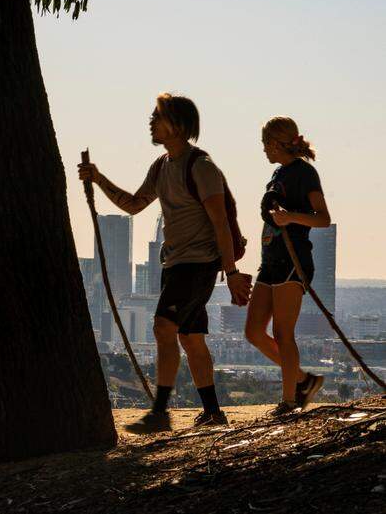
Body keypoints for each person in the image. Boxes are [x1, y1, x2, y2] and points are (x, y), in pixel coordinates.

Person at [79, 93, 251, 433]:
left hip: (197, 265)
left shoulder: (201, 167)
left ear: (179, 125)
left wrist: (230, 273)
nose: (151, 123)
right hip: (176, 265)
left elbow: (220, 223)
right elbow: (133, 204)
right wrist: (98, 179)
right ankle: (213, 412)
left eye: (157, 117)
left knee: (162, 327)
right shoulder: (162, 166)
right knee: (190, 337)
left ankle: (160, 412)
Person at [245, 117, 329, 416]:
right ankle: (303, 380)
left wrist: (290, 217)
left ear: (276, 144)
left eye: (265, 144)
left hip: (293, 262)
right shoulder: (277, 174)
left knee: (283, 333)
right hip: (270, 260)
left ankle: (291, 401)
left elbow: (323, 217)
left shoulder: (305, 173)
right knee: (253, 331)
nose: (264, 150)